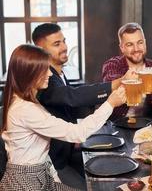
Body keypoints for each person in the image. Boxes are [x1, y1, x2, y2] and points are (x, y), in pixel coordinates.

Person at [0, 44, 125, 190]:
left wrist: (56, 181)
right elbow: (77, 133)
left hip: (39, 175)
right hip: (26, 183)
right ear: (30, 73)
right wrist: (110, 104)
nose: (50, 74)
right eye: (44, 69)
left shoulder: (26, 103)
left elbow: (42, 155)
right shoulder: (25, 110)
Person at [32, 23, 135, 178]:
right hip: (55, 163)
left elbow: (71, 105)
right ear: (41, 50)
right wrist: (117, 85)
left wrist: (100, 109)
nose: (65, 47)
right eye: (56, 44)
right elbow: (72, 96)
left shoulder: (58, 73)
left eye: (64, 41)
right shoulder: (45, 81)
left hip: (70, 149)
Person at [102, 22, 152, 121]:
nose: (136, 49)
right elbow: (109, 82)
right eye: (130, 45)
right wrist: (128, 79)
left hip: (145, 126)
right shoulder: (112, 64)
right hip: (116, 125)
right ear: (122, 48)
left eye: (140, 42)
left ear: (145, 43)